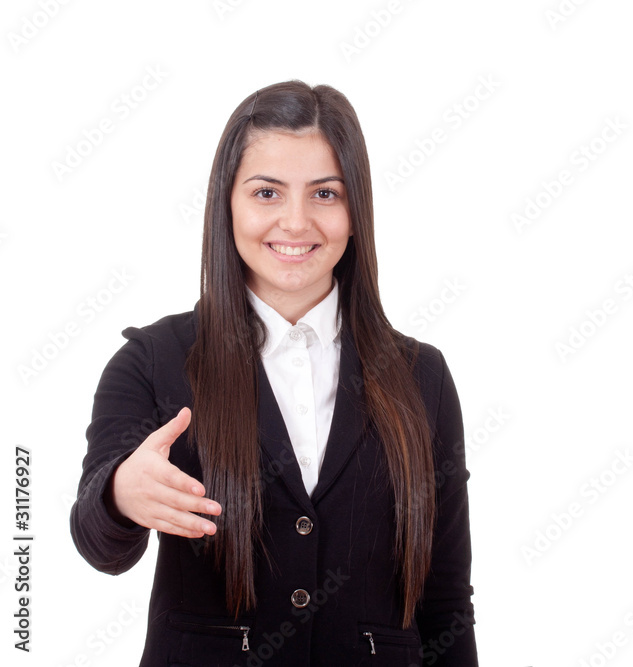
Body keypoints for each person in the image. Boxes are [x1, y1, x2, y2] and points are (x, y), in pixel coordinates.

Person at [69, 80, 478, 666]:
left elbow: (445, 599)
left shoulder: (423, 378)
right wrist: (119, 496)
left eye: (325, 194)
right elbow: (95, 539)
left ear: (356, 208)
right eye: (266, 192)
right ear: (226, 204)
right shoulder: (153, 359)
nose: (295, 221)